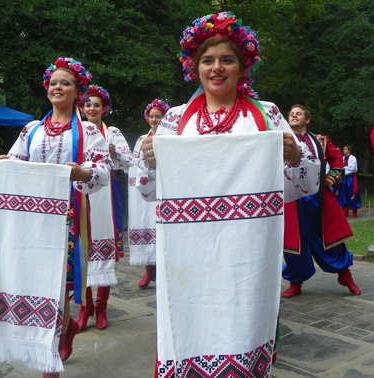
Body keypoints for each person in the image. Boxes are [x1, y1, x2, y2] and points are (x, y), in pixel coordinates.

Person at [136, 12, 321, 376]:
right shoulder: (175, 119)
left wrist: (295, 154)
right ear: (194, 66)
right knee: (189, 322)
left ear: (243, 66)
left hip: (246, 253)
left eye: (227, 59)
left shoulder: (265, 116)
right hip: (189, 254)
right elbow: (148, 190)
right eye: (208, 60)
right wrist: (150, 161)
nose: (217, 68)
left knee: (244, 327)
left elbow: (306, 184)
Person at [0, 57, 111, 378]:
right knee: (37, 277)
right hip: (31, 220)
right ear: (47, 90)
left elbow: (101, 173)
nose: (58, 87)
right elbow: (16, 162)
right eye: (54, 83)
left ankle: (50, 355)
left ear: (78, 91)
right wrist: (1, 163)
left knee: (59, 282)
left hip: (68, 219)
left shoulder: (88, 131)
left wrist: (81, 172)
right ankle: (66, 325)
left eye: (66, 83)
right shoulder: (31, 130)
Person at [282, 105, 361, 298]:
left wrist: (333, 178)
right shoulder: (280, 139)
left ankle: (345, 275)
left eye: (298, 113)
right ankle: (296, 282)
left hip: (319, 196)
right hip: (293, 198)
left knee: (330, 237)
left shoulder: (321, 141)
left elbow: (338, 162)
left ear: (307, 120)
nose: (293, 115)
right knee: (295, 242)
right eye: (291, 113)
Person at [77, 85, 133, 332]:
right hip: (79, 195)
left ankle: (101, 306)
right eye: (87, 104)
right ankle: (84, 307)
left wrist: (113, 152)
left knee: (104, 249)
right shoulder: (75, 131)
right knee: (81, 250)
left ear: (105, 109)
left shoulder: (112, 132)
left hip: (107, 194)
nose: (91, 108)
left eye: (96, 105)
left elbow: (128, 161)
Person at [128, 99, 169, 288]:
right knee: (146, 222)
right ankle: (148, 270)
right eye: (151, 116)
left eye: (158, 116)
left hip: (165, 187)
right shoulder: (141, 140)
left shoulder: (169, 137)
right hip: (148, 187)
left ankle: (163, 272)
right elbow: (135, 164)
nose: (154, 119)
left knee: (162, 228)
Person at [336, 144, 362, 218]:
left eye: (345, 149)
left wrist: (344, 169)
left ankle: (354, 211)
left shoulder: (353, 158)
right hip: (344, 178)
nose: (344, 150)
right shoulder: (342, 158)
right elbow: (340, 167)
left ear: (349, 150)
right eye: (343, 149)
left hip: (351, 178)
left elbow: (352, 169)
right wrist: (344, 170)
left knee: (352, 194)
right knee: (344, 194)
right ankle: (345, 210)